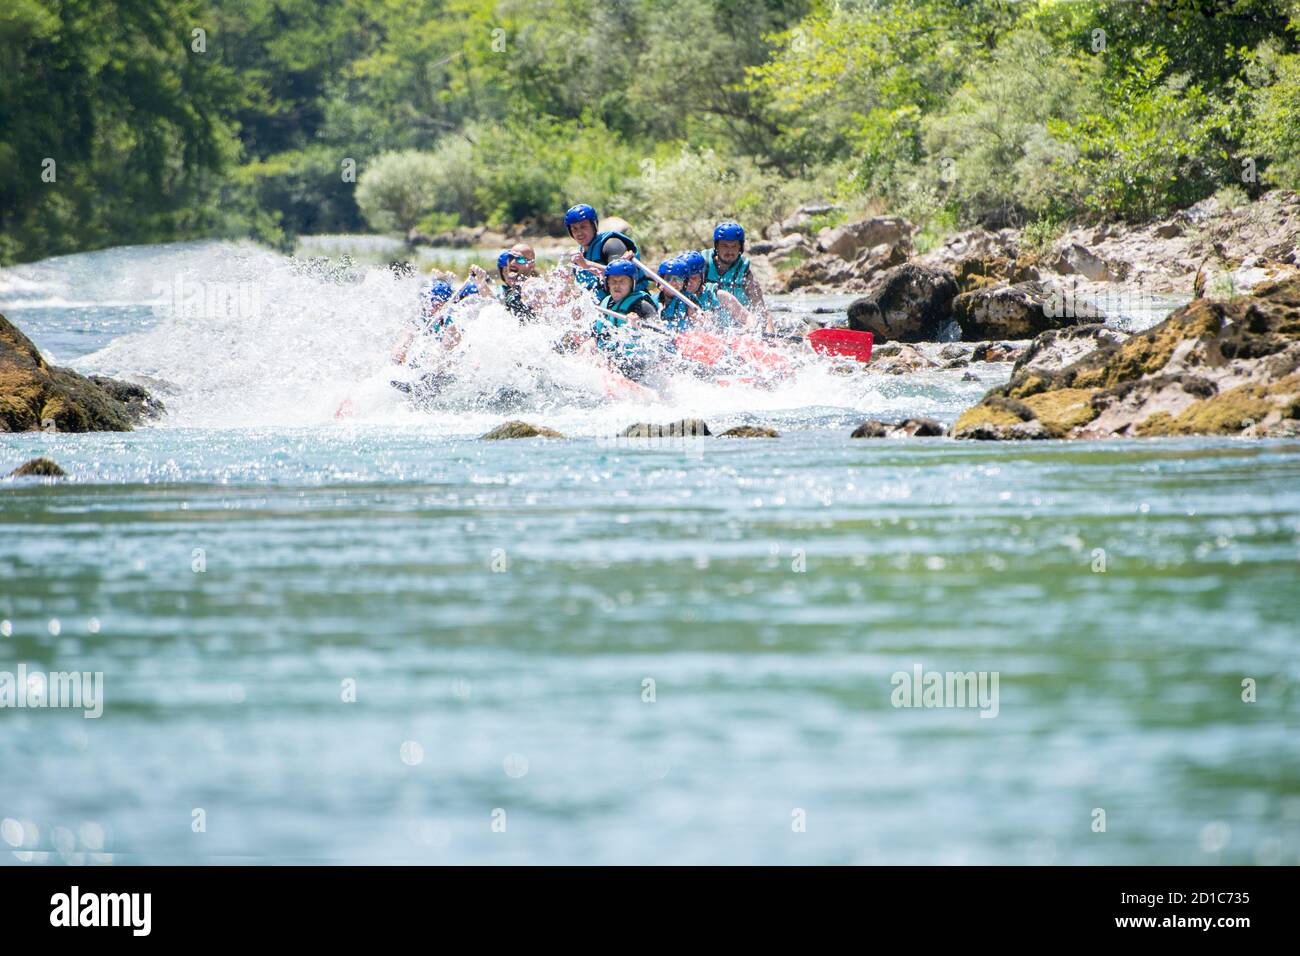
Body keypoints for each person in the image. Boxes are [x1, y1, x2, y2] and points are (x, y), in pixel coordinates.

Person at [592, 259, 658, 379]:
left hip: (634, 362)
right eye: (613, 281)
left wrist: (639, 320)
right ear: (608, 284)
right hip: (610, 358)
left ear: (631, 284)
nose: (617, 285)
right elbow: (596, 333)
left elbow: (654, 323)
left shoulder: (642, 304)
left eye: (622, 281)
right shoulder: (605, 303)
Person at [564, 203, 642, 293]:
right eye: (574, 229)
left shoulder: (611, 244)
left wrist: (586, 264)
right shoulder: (579, 255)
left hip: (632, 303)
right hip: (602, 304)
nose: (579, 233)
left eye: (583, 227)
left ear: (594, 225)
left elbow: (619, 275)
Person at [703, 221, 769, 317]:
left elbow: (763, 312)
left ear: (740, 247)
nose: (729, 251)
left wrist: (769, 331)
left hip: (739, 325)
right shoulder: (702, 265)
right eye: (725, 246)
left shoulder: (745, 273)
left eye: (734, 246)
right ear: (717, 246)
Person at [655, 257, 695, 332]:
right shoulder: (652, 300)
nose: (673, 283)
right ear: (661, 281)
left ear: (684, 283)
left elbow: (699, 321)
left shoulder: (689, 300)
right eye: (668, 278)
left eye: (678, 279)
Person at [496, 250, 535, 320]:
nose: (513, 262)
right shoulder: (504, 292)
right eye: (510, 258)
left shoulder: (533, 284)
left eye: (520, 259)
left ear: (531, 266)